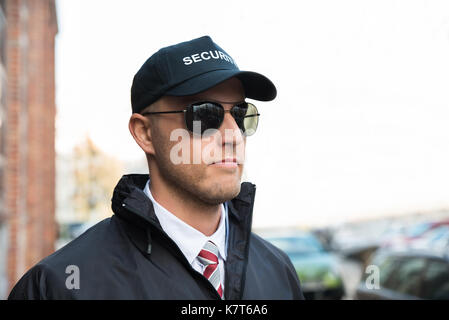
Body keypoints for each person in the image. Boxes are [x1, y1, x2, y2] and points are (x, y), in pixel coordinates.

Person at [8, 36, 304, 300]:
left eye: (241, 114)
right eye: (204, 115)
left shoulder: (278, 270)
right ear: (145, 133)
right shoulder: (60, 286)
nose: (233, 135)